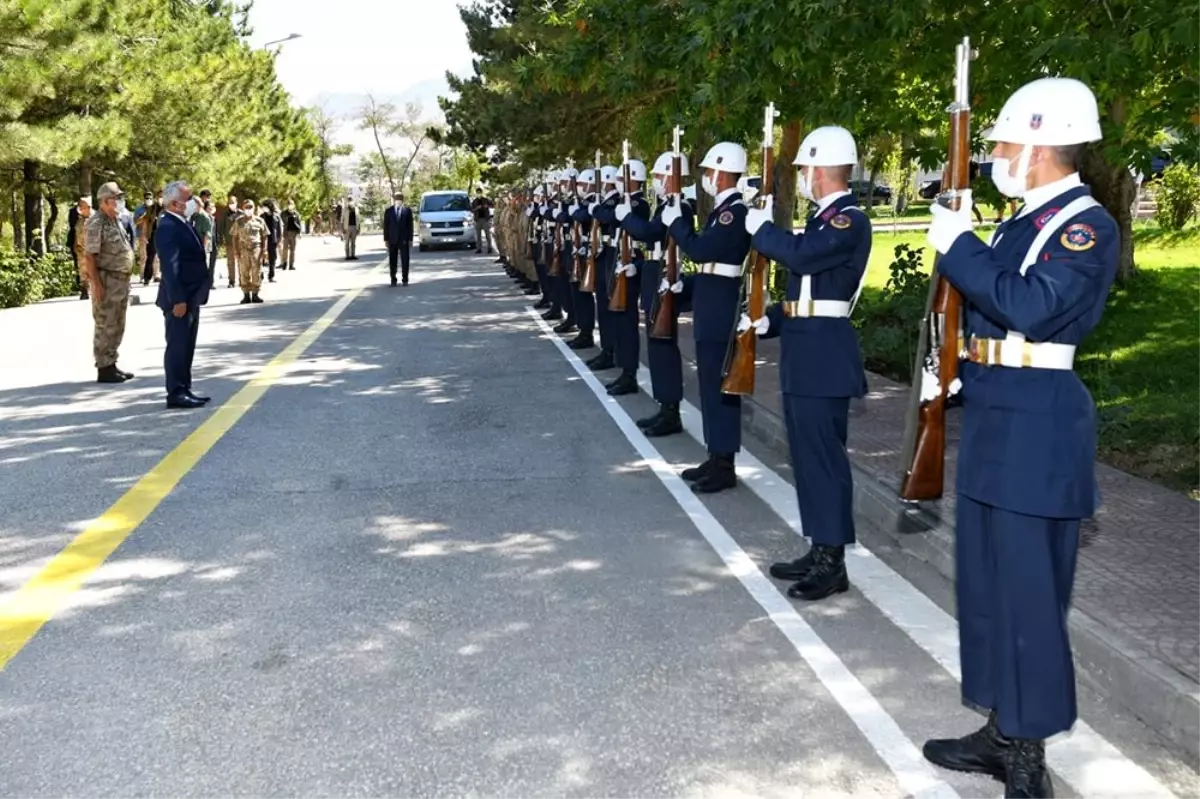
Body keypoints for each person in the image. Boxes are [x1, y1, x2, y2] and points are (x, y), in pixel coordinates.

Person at [917, 77, 1115, 799]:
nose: (993, 154)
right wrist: (953, 368)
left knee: (1030, 594)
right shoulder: (1018, 222)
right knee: (989, 587)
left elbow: (1030, 306)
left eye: (1002, 142)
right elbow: (983, 311)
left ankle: (1028, 752)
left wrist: (960, 243)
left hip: (1039, 427)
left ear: (1037, 146)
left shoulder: (1082, 226)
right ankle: (1001, 729)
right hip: (997, 412)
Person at [741, 126, 872, 601]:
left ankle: (833, 561)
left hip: (825, 356)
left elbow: (803, 258)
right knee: (807, 459)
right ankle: (820, 546)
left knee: (824, 460)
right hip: (804, 349)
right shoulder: (821, 221)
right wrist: (770, 320)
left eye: (802, 169)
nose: (800, 177)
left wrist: (762, 230)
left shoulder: (847, 221)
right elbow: (807, 290)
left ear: (818, 170)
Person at [661, 142, 752, 494]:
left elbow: (700, 249)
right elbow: (710, 266)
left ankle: (724, 463)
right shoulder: (722, 211)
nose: (704, 178)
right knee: (711, 388)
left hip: (720, 307)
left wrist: (678, 224)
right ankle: (716, 456)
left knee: (721, 388)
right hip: (712, 300)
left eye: (707, 171)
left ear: (721, 171)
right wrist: (687, 284)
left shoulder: (734, 213)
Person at [616, 149, 691, 436]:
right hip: (652, 269)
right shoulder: (665, 205)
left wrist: (627, 218)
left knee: (663, 341)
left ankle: (671, 410)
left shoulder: (679, 207)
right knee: (655, 340)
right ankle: (664, 405)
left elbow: (650, 232)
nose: (657, 180)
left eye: (661, 176)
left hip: (663, 272)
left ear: (672, 178)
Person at [596, 157, 649, 396]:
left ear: (634, 180)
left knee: (627, 323)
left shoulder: (639, 205)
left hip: (630, 266)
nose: (617, 183)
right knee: (617, 318)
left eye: (621, 178)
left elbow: (608, 217)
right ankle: (622, 367)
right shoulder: (624, 203)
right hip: (617, 263)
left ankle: (630, 373)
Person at [156, 181, 210, 410]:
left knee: (187, 345)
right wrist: (178, 299)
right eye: (188, 199)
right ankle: (176, 392)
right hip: (180, 298)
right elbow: (170, 266)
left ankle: (184, 388)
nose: (192, 203)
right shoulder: (168, 225)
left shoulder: (181, 222)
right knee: (177, 345)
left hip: (191, 296)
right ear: (176, 203)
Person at [83, 182, 135, 384]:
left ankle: (111, 363)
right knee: (106, 323)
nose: (119, 201)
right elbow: (89, 256)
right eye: (116, 198)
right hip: (107, 280)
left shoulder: (115, 220)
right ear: (105, 201)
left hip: (120, 281)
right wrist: (96, 285)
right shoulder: (97, 222)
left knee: (117, 323)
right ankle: (104, 367)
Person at [235, 199, 267, 304]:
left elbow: (264, 236)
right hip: (243, 250)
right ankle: (246, 295)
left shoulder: (260, 221)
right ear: (243, 208)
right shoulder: (239, 221)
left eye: (250, 207)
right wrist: (236, 251)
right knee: (244, 272)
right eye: (246, 207)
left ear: (254, 208)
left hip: (256, 249)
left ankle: (255, 294)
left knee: (256, 272)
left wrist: (264, 250)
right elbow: (234, 237)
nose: (248, 209)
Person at [383, 191, 414, 286]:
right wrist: (386, 239)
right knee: (392, 260)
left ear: (402, 200)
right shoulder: (389, 211)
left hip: (404, 239)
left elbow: (410, 226)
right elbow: (386, 226)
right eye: (397, 198)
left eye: (400, 198)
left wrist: (410, 239)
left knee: (405, 260)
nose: (398, 200)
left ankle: (405, 279)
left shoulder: (407, 210)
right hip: (392, 239)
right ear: (394, 200)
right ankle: (393, 280)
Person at [69, 196, 92, 300]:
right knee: (82, 269)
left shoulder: (96, 218)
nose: (80, 209)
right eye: (80, 206)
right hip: (81, 249)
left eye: (82, 206)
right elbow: (76, 232)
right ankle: (84, 289)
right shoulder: (80, 219)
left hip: (93, 250)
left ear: (88, 207)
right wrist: (75, 245)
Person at [190, 195, 215, 288]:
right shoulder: (193, 216)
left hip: (201, 246)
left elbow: (207, 235)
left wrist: (203, 248)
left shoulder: (204, 217)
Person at [219, 195, 241, 288]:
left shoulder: (241, 214)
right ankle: (231, 281)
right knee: (230, 262)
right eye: (230, 202)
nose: (231, 204)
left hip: (240, 242)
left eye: (233, 202)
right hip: (229, 242)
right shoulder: (225, 214)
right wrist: (221, 239)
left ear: (237, 203)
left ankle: (242, 280)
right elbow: (221, 228)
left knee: (241, 262)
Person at [261, 200, 282, 282]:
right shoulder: (261, 216)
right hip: (263, 240)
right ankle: (260, 275)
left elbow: (279, 229)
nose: (263, 208)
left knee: (272, 259)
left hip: (273, 240)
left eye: (265, 206)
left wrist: (279, 239)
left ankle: (271, 276)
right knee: (261, 259)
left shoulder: (276, 216)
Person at [471, 188, 495, 254]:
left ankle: (489, 248)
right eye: (477, 192)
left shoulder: (486, 200)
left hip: (485, 219)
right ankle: (479, 248)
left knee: (487, 235)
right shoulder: (474, 201)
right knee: (478, 236)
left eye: (480, 192)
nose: (479, 194)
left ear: (481, 193)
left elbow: (493, 205)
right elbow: (471, 210)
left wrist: (487, 206)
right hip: (478, 220)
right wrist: (476, 208)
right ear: (476, 193)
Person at [281, 198, 302, 270]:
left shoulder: (296, 213)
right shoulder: (283, 213)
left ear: (294, 205)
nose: (290, 206)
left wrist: (300, 233)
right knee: (285, 249)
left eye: (291, 204)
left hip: (294, 233)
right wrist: (291, 216)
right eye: (289, 204)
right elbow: (284, 220)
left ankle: (291, 265)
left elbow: (299, 223)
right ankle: (284, 263)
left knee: (293, 250)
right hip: (286, 233)